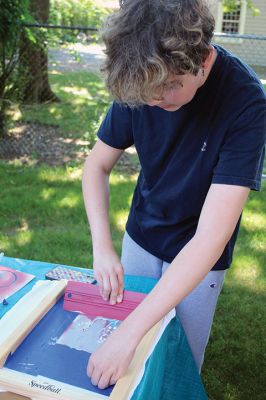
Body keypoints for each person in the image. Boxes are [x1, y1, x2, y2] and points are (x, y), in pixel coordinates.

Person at [82, 0, 266, 390]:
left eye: (167, 90)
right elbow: (95, 167)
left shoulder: (246, 102)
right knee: (128, 363)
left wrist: (129, 333)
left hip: (201, 256)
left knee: (177, 363)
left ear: (201, 61)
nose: (153, 102)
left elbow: (211, 237)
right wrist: (103, 247)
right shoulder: (145, 79)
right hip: (142, 236)